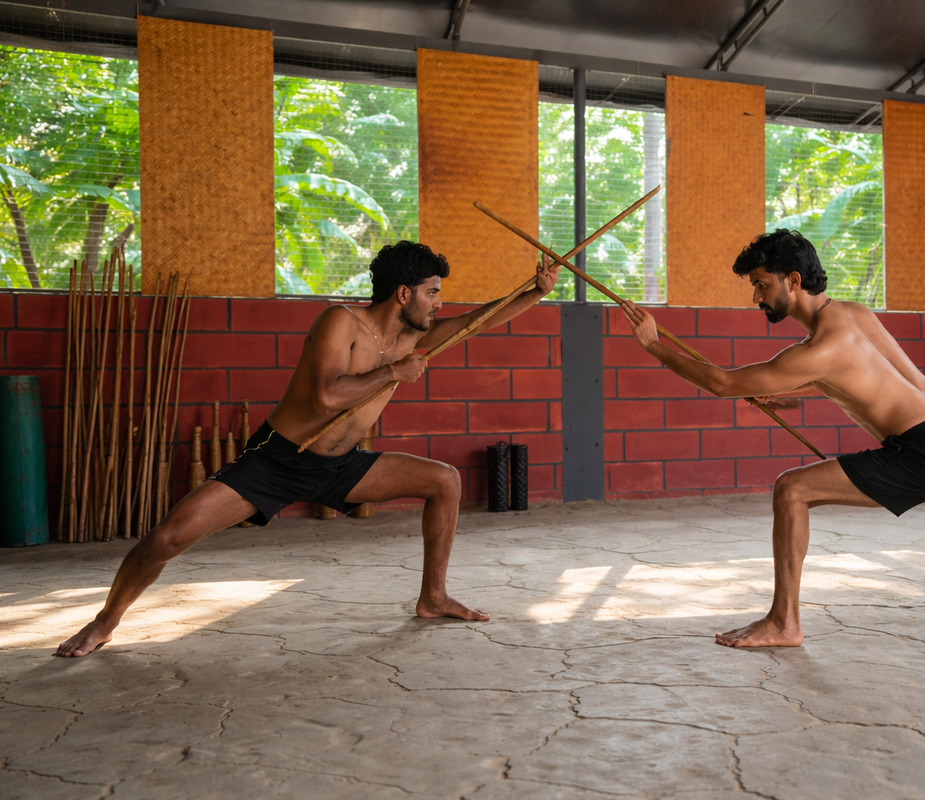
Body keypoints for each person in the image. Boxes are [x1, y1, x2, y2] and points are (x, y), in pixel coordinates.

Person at [619, 229, 925, 648]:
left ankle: (784, 622)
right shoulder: (852, 315)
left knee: (790, 489)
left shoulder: (815, 350)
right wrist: (792, 396)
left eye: (760, 284)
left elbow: (724, 383)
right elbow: (863, 378)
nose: (756, 296)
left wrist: (655, 347)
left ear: (792, 281)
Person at [57, 241, 561, 657]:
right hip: (278, 459)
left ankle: (432, 597)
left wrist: (533, 292)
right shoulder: (340, 322)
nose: (439, 304)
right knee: (168, 537)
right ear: (403, 291)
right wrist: (391, 373)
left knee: (444, 479)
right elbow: (325, 395)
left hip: (342, 466)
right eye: (432, 293)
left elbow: (480, 320)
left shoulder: (412, 336)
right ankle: (105, 621)